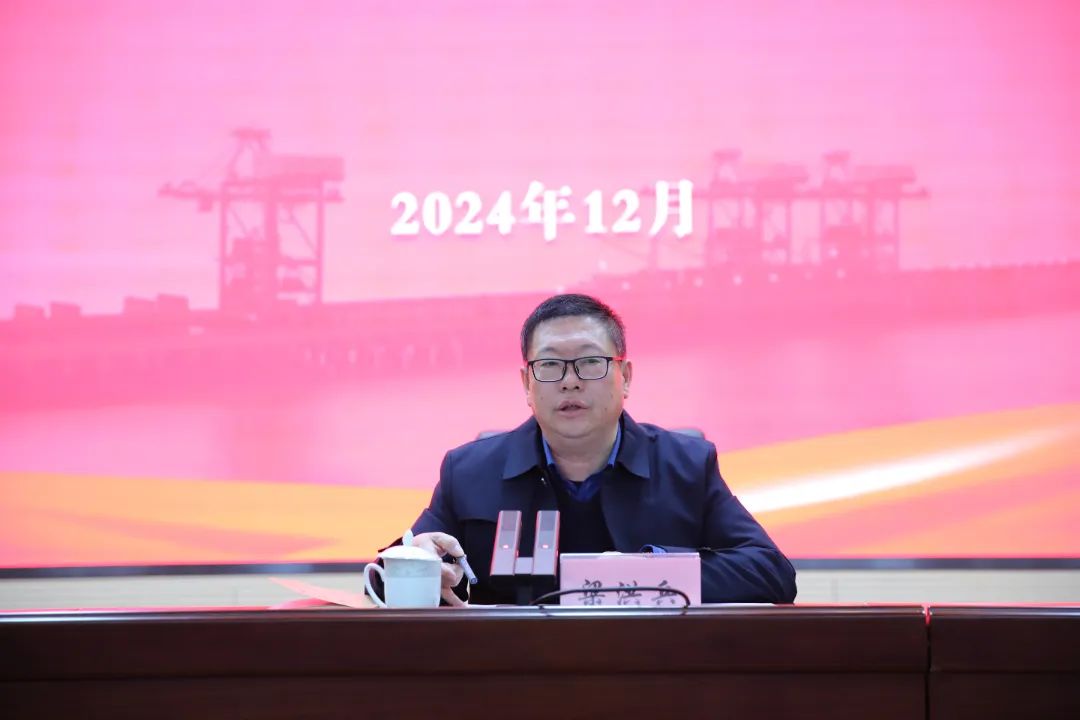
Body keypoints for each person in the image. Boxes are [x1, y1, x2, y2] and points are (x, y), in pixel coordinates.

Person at [401, 293, 796, 605]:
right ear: (526, 385)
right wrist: (418, 566)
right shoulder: (468, 471)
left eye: (590, 362)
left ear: (626, 377)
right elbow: (388, 578)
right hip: (517, 671)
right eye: (550, 365)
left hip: (651, 670)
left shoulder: (687, 465)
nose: (570, 382)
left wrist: (645, 571)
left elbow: (771, 573)